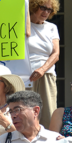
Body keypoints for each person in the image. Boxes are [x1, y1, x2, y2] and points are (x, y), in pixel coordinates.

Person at [28, 0, 60, 128]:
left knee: (48, 114)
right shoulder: (22, 25)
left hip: (46, 74)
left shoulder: (51, 27)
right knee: (26, 114)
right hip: (25, 75)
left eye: (50, 10)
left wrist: (42, 69)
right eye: (43, 8)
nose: (46, 12)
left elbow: (56, 54)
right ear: (34, 6)